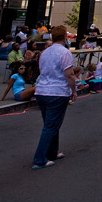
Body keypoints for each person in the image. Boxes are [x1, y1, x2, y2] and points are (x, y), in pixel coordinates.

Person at [31, 25, 77, 169]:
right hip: (57, 91)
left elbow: (42, 70)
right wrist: (73, 90)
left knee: (51, 123)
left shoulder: (44, 53)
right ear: (65, 37)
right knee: (51, 125)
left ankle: (52, 152)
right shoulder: (64, 53)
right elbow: (69, 74)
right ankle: (40, 159)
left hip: (42, 90)